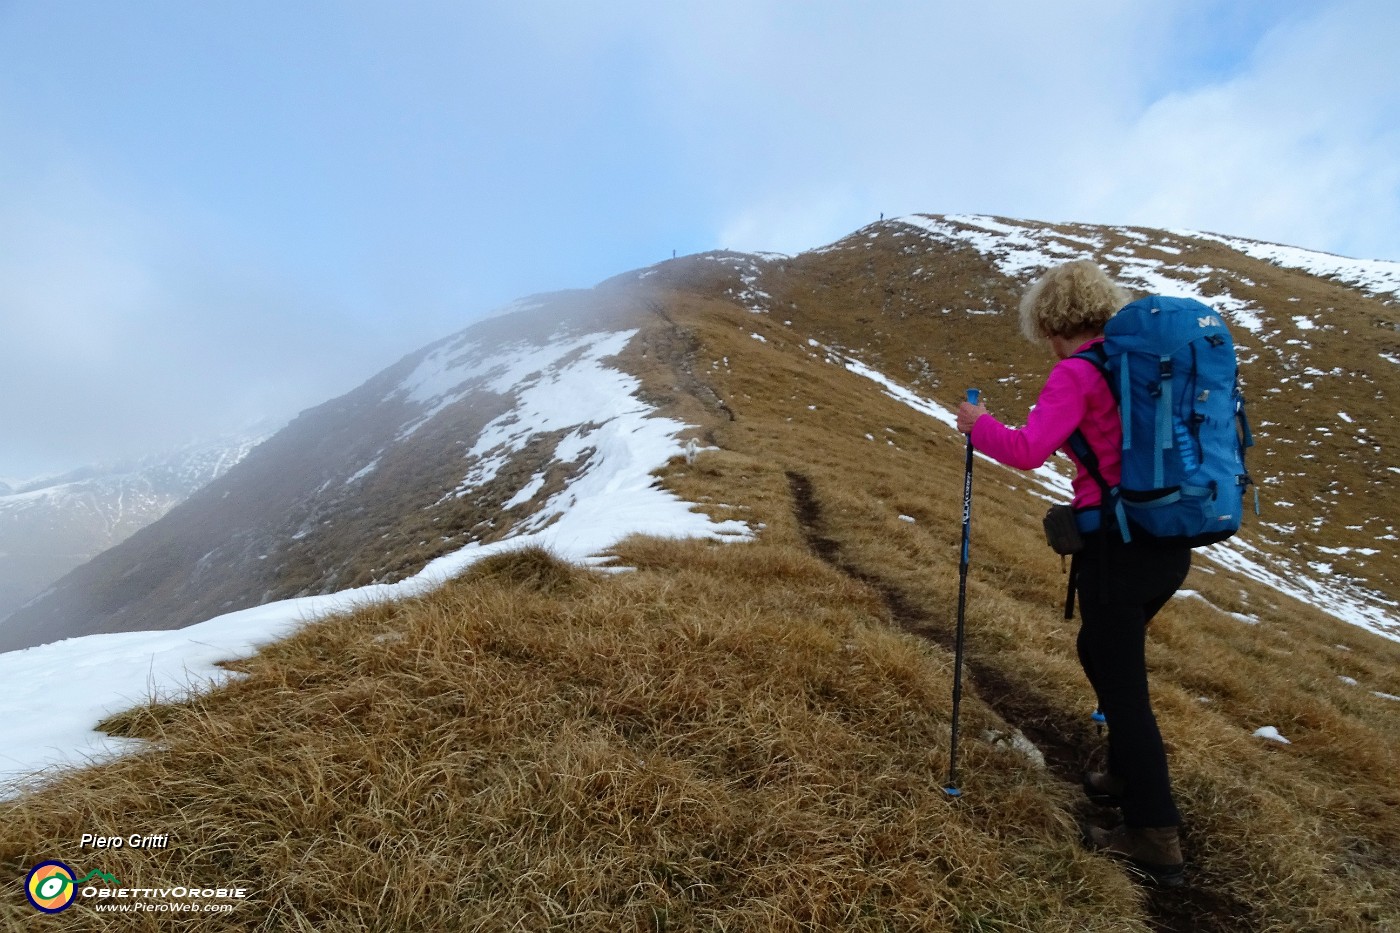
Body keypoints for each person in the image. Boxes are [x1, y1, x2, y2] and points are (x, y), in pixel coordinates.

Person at [954, 260, 1190, 888]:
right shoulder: (1141, 363)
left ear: (1051, 322)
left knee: (1122, 683)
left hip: (1117, 546)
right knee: (1106, 652)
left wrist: (978, 427)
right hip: (1170, 542)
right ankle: (1119, 773)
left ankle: (1154, 832)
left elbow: (1028, 450)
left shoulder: (1078, 372)